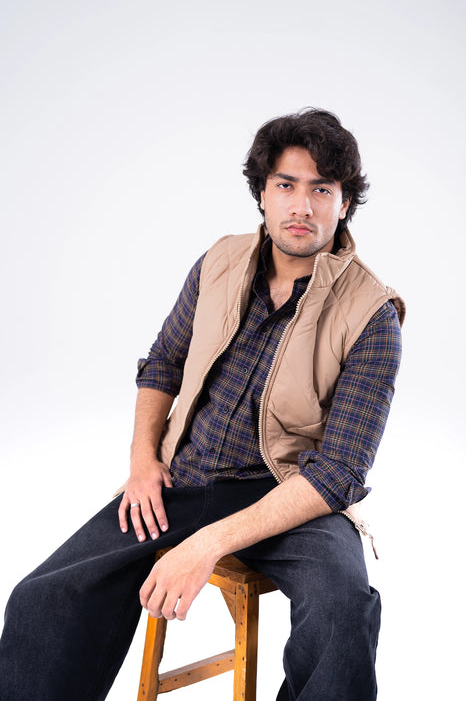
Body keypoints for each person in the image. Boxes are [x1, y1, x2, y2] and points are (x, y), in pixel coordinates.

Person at [0, 108, 405, 701]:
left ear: (344, 204)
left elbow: (338, 472)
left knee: (343, 607)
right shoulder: (219, 261)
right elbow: (163, 362)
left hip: (292, 497)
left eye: (322, 189)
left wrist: (209, 542)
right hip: (182, 479)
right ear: (262, 193)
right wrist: (143, 462)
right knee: (42, 599)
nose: (302, 206)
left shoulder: (373, 315)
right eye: (286, 185)